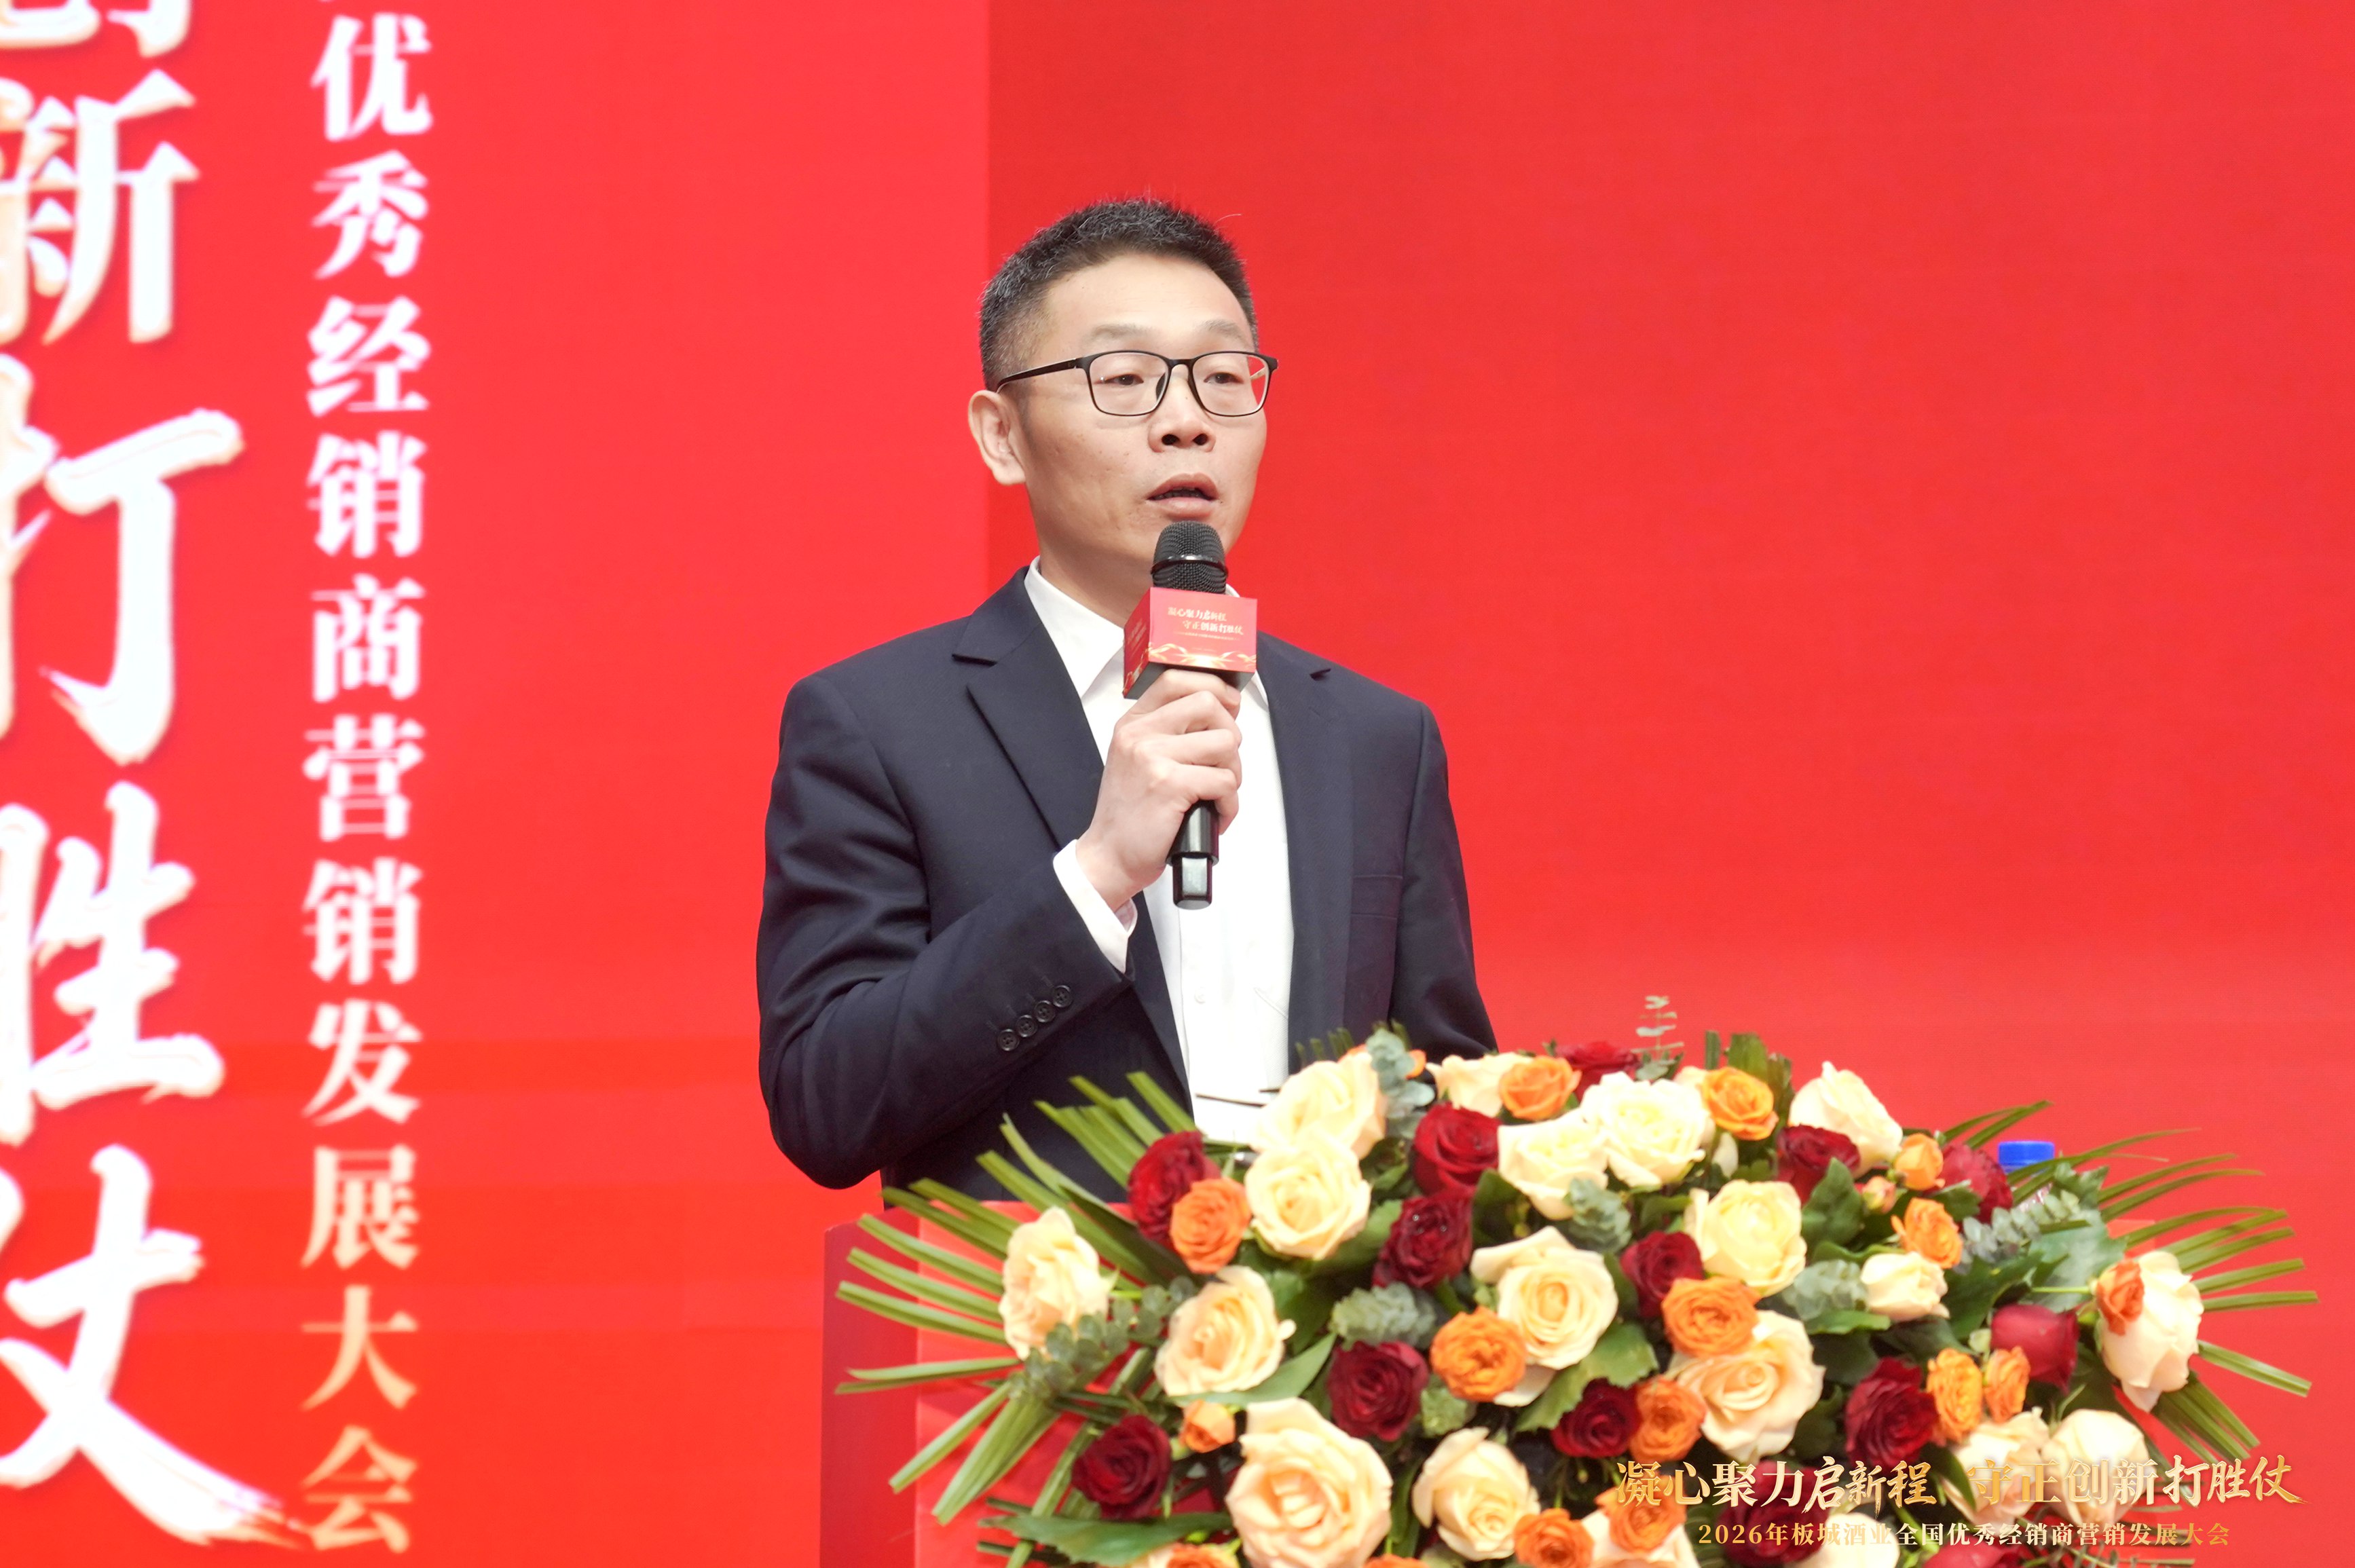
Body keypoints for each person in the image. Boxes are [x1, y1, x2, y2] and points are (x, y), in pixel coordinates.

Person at [758, 199, 1493, 1195]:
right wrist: (1096, 874)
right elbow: (825, 1103)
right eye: (1125, 379)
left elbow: (1445, 1096)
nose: (1187, 420)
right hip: (1035, 1293)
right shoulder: (879, 724)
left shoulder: (1374, 737)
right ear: (1003, 435)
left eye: (1222, 377)